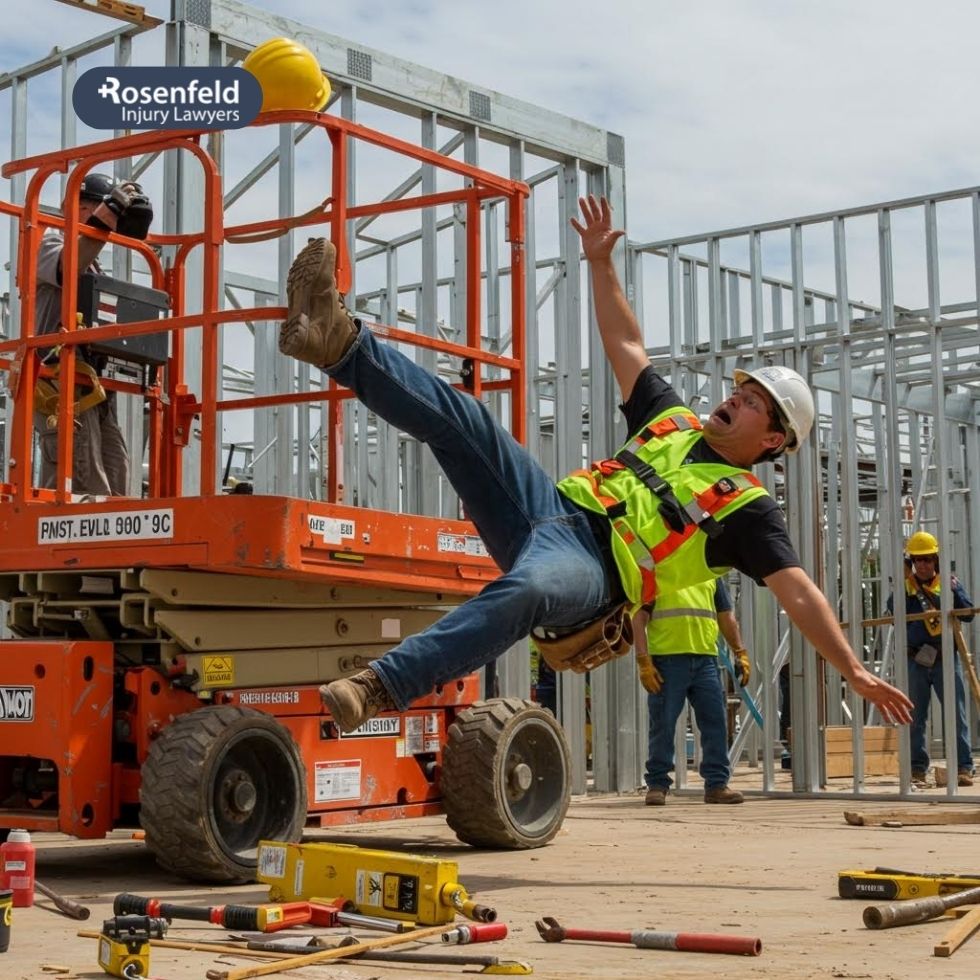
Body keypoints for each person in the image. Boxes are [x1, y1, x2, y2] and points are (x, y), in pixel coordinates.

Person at [279, 194, 913, 734]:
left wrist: (854, 669)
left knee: (528, 589)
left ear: (773, 439)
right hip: (548, 507)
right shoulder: (672, 419)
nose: (734, 400)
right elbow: (627, 342)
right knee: (465, 421)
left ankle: (379, 687)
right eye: (740, 390)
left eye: (753, 404)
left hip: (595, 572)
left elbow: (799, 593)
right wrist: (601, 262)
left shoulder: (747, 510)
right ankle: (339, 342)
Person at [33, 172, 150, 496]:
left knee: (116, 474)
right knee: (82, 479)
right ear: (77, 208)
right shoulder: (47, 240)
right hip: (60, 380)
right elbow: (67, 267)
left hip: (93, 385)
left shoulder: (96, 267)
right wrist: (109, 212)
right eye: (96, 209)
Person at [639, 578, 749, 805]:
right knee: (663, 725)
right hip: (667, 659)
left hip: (705, 659)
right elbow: (639, 617)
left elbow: (726, 616)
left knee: (715, 723)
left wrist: (740, 652)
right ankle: (657, 785)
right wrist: (643, 660)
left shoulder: (710, 575)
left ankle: (717, 785)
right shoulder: (659, 571)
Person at [887, 530, 975, 787]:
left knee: (956, 715)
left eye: (927, 559)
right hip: (916, 659)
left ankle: (963, 766)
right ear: (912, 562)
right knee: (915, 717)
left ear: (935, 559)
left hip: (945, 658)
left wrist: (949, 593)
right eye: (918, 560)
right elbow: (893, 612)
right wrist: (906, 587)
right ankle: (917, 768)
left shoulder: (948, 583)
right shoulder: (906, 587)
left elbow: (968, 614)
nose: (923, 565)